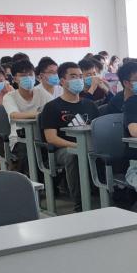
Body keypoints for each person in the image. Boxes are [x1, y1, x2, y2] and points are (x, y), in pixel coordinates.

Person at [40, 62, 102, 212]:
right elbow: (51, 138)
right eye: (73, 77)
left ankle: (107, 194)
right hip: (63, 149)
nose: (79, 80)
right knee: (75, 156)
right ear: (62, 81)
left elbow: (98, 131)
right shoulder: (52, 107)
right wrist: (77, 146)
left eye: (80, 77)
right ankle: (80, 203)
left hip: (89, 146)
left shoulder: (90, 105)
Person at [0, 60, 51, 163]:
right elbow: (14, 115)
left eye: (30, 74)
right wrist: (40, 114)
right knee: (31, 154)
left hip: (42, 137)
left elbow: (53, 109)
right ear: (15, 79)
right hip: (20, 139)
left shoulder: (41, 92)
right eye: (23, 75)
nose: (28, 78)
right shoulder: (9, 96)